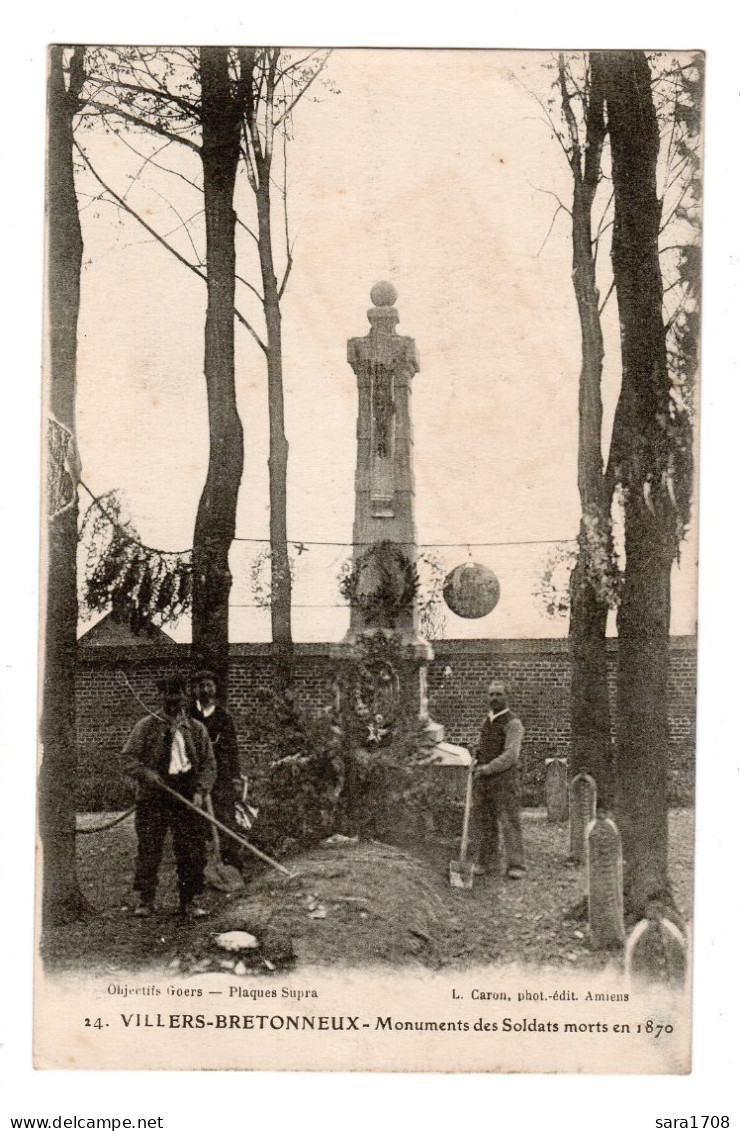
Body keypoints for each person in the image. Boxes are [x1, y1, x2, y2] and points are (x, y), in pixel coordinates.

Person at [122, 675, 216, 918]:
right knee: (149, 848)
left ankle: (190, 900)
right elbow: (128, 759)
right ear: (160, 696)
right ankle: (146, 900)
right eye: (168, 694)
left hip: (186, 793)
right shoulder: (146, 726)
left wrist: (199, 791)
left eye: (178, 694)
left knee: (191, 849)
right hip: (154, 795)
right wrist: (147, 774)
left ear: (186, 696)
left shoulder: (196, 729)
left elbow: (208, 765)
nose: (173, 700)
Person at [471, 680, 527, 880]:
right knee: (485, 821)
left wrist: (487, 768)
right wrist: (475, 760)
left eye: (498, 694)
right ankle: (487, 862)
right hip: (485, 781)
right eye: (491, 694)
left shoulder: (513, 723)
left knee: (509, 821)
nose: (494, 698)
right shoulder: (486, 721)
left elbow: (511, 755)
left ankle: (516, 864)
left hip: (504, 781)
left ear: (507, 697)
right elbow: (481, 747)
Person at [190, 669, 245, 871]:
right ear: (195, 689)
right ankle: (199, 867)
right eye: (201, 686)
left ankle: (231, 863)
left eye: (209, 685)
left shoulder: (223, 716)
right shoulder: (189, 715)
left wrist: (235, 777)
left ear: (215, 689)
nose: (205, 690)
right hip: (196, 775)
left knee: (225, 817)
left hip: (222, 775)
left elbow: (232, 748)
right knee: (197, 819)